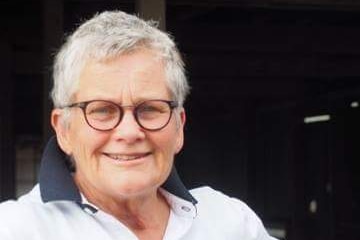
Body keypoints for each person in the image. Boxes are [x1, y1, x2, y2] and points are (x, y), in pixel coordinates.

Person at [0, 10, 277, 240]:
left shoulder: (232, 223)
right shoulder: (17, 229)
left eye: (150, 109)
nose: (130, 132)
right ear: (64, 130)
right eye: (103, 111)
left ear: (179, 127)